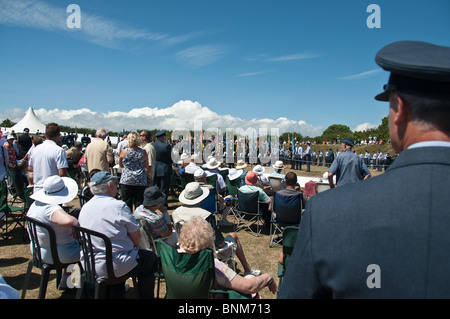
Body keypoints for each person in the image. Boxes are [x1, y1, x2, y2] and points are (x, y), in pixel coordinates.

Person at [278, 40, 450, 298]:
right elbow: (368, 174)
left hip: (347, 196)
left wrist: (335, 188)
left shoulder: (327, 214)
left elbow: (329, 173)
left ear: (399, 108)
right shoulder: (357, 160)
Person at [78, 171, 158, 299]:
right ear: (109, 186)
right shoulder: (118, 206)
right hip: (115, 265)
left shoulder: (85, 207)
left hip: (91, 263)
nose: (117, 186)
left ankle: (117, 292)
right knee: (150, 259)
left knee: (121, 254)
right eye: (115, 183)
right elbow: (137, 238)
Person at [172, 182, 261, 277]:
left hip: (186, 251)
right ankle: (247, 269)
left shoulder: (176, 213)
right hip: (207, 255)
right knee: (233, 237)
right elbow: (220, 243)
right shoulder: (205, 215)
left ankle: (231, 262)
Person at [178, 217, 276, 297]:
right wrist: (268, 278)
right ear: (210, 241)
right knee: (250, 279)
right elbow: (249, 287)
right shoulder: (213, 265)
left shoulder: (174, 260)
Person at [27, 175, 80, 288]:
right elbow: (69, 220)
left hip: (39, 250)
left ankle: (67, 281)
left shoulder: (35, 205)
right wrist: (75, 223)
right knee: (87, 249)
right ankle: (75, 281)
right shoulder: (51, 208)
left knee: (74, 245)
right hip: (56, 254)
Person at [28, 123, 68, 193]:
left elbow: (30, 168)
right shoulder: (59, 150)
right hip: (53, 189)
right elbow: (62, 173)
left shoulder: (35, 149)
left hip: (37, 188)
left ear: (45, 135)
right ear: (59, 136)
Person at [118, 131, 148, 211]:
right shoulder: (143, 152)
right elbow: (146, 165)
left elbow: (120, 165)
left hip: (126, 180)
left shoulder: (124, 152)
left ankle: (128, 220)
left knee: (127, 202)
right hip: (140, 180)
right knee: (139, 202)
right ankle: (139, 220)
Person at [152, 130, 173, 208]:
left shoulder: (152, 145)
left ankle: (155, 202)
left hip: (155, 167)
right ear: (163, 137)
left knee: (155, 187)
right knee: (164, 188)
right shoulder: (166, 146)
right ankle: (163, 204)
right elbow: (170, 157)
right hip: (164, 168)